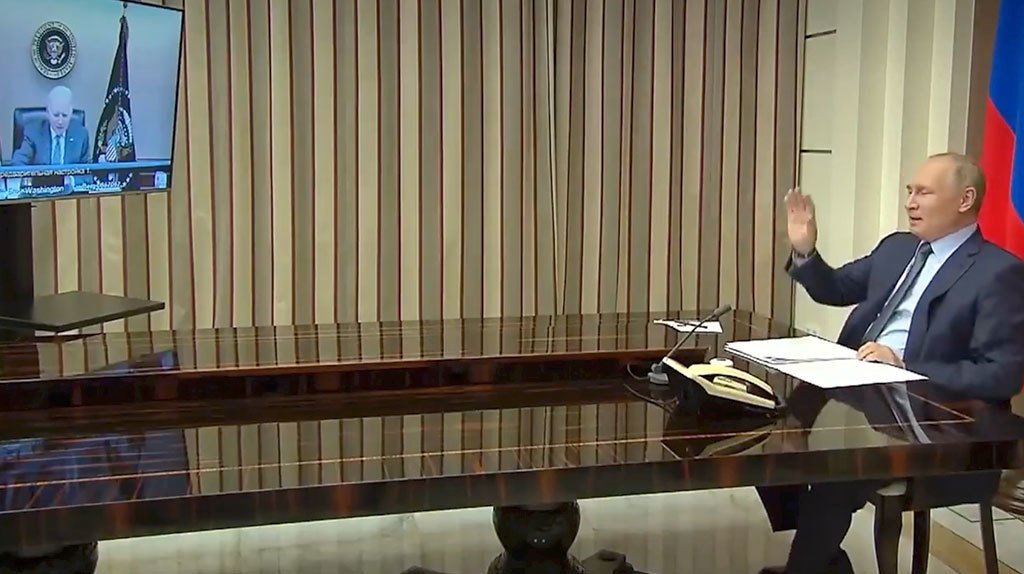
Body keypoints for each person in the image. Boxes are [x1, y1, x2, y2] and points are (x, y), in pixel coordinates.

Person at [758, 152, 1024, 574]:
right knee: (767, 430)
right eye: (909, 191)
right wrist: (806, 251)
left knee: (837, 470)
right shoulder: (897, 248)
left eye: (924, 193)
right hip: (859, 389)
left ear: (965, 199)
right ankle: (825, 559)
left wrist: (906, 364)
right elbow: (835, 288)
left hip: (934, 421)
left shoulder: (998, 272)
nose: (910, 202)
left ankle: (805, 567)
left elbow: (1001, 374)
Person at [10, 86, 90, 166]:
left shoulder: (81, 134)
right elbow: (18, 163)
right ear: (48, 113)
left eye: (65, 115)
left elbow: (87, 168)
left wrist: (74, 176)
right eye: (56, 115)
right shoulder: (34, 133)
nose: (60, 121)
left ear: (71, 113)